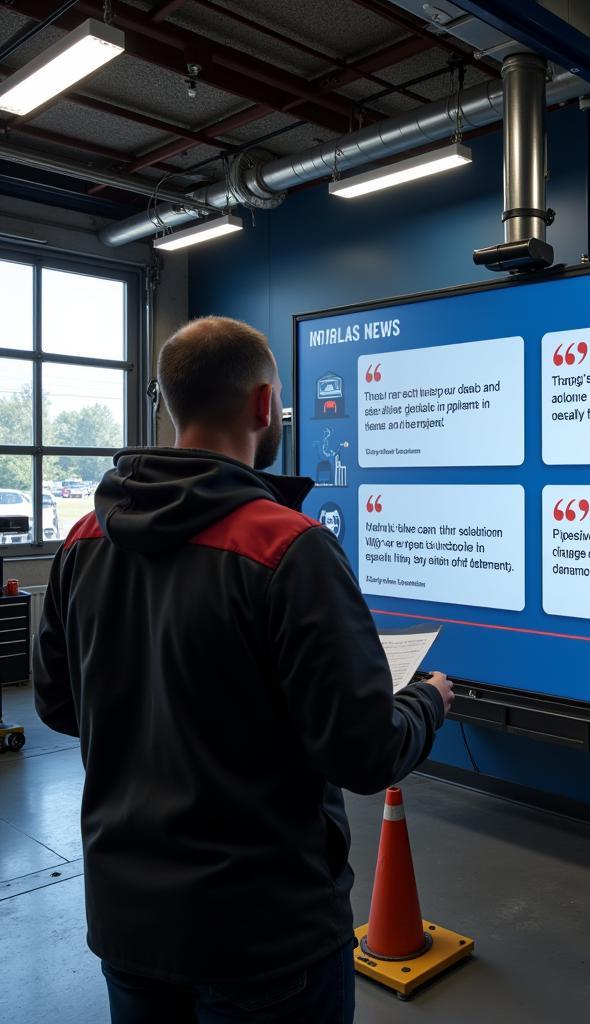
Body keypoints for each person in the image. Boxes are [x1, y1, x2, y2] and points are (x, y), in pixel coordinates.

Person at [33, 316, 453, 1023]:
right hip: (267, 937)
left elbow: (56, 702)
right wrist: (426, 702)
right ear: (265, 406)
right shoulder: (289, 547)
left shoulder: (85, 539)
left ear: (171, 402)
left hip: (128, 923)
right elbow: (363, 751)